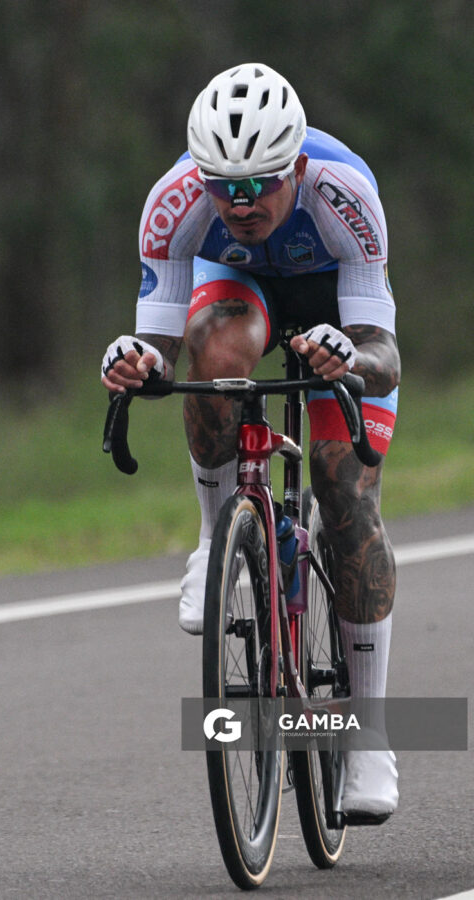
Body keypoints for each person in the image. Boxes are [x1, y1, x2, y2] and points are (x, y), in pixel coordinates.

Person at [101, 63, 400, 821]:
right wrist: (136, 362)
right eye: (221, 186)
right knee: (213, 348)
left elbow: (383, 350)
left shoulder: (344, 193)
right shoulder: (174, 205)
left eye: (262, 184)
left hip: (337, 305)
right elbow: (159, 341)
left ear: (296, 167)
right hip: (244, 296)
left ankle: (367, 741)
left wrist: (348, 360)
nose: (240, 203)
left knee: (345, 498)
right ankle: (213, 540)